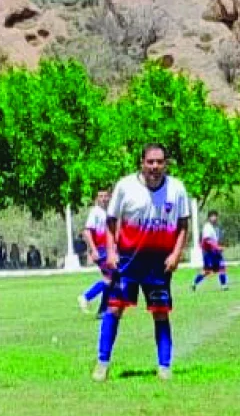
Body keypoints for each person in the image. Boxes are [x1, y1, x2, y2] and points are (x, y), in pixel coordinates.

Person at [93, 144, 189, 382]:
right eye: (150, 162)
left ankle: (164, 366)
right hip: (128, 261)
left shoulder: (176, 189)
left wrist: (176, 254)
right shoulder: (125, 187)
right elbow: (111, 221)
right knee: (114, 308)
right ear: (142, 163)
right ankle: (102, 364)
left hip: (158, 263)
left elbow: (183, 225)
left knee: (161, 314)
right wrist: (112, 252)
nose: (155, 167)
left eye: (159, 162)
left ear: (166, 164)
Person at [77, 189, 112, 317]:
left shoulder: (109, 212)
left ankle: (103, 311)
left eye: (105, 196)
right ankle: (86, 297)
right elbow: (87, 232)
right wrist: (94, 250)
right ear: (97, 198)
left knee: (110, 280)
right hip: (101, 250)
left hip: (108, 249)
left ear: (109, 197)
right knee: (111, 278)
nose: (103, 198)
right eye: (100, 196)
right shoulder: (95, 212)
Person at [191, 211, 228, 291]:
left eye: (216, 216)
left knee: (222, 267)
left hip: (215, 252)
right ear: (209, 218)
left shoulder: (214, 228)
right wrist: (217, 247)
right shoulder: (207, 227)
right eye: (212, 216)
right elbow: (207, 240)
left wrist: (218, 247)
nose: (214, 218)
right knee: (207, 271)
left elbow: (214, 240)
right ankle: (194, 283)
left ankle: (224, 285)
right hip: (208, 253)